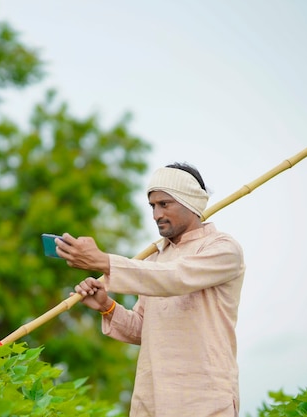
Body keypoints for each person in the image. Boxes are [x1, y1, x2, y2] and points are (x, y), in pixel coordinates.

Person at [55, 162, 245, 417]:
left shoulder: (223, 249)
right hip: (152, 398)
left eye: (165, 204)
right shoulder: (154, 260)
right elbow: (145, 329)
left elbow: (176, 278)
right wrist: (106, 306)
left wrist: (103, 261)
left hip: (204, 399)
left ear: (190, 202)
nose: (156, 214)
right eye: (153, 206)